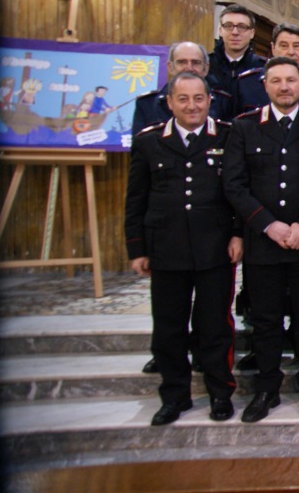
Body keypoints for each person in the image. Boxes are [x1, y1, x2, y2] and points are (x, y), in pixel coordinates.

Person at [125, 72, 242, 426]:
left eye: (198, 98)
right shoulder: (149, 142)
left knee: (214, 326)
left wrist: (238, 235)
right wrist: (137, 249)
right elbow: (136, 199)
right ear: (170, 103)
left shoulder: (227, 135)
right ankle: (174, 396)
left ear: (209, 100)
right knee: (168, 327)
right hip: (166, 248)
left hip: (215, 248)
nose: (192, 106)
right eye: (183, 99)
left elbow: (237, 191)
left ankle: (220, 393)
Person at [222, 57, 299, 423]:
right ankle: (267, 387)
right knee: (265, 320)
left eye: (291, 80)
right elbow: (234, 185)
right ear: (265, 85)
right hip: (263, 241)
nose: (284, 87)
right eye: (276, 81)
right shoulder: (245, 127)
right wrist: (269, 226)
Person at [235, 23, 299, 114]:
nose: (291, 52)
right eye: (284, 46)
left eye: (296, 46)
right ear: (273, 48)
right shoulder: (248, 83)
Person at [133, 42, 232, 135]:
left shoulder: (223, 102)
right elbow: (142, 147)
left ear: (206, 68)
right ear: (170, 67)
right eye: (182, 62)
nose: (189, 68)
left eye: (196, 63)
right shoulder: (147, 103)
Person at [207, 4, 265, 104]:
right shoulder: (205, 65)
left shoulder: (263, 68)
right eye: (228, 26)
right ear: (220, 31)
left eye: (242, 27)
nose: (235, 32)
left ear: (252, 33)